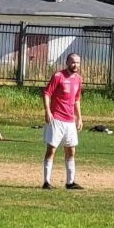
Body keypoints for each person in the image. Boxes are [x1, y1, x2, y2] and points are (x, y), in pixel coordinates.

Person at [42, 53, 83, 190]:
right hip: (57, 119)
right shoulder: (58, 76)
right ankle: (46, 181)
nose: (75, 65)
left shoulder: (78, 79)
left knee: (71, 151)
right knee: (51, 150)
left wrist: (79, 117)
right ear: (67, 62)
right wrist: (48, 111)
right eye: (73, 62)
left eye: (77, 62)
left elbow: (76, 99)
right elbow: (47, 93)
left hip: (70, 121)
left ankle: (70, 182)